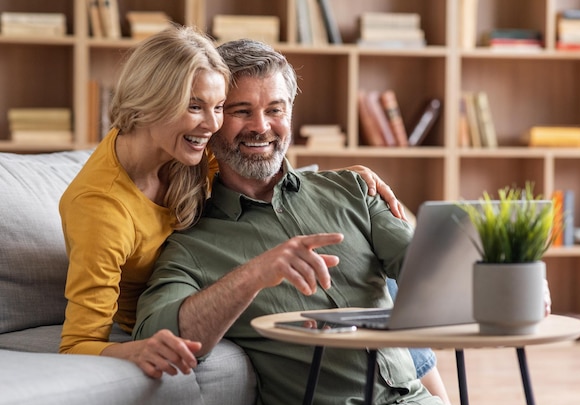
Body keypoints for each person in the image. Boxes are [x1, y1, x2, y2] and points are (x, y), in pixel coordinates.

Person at [133, 38, 459, 405]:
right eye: (242, 111)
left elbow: (428, 271)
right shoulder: (193, 245)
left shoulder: (355, 190)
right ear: (216, 120)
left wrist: (501, 277)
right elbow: (157, 334)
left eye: (275, 109)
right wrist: (254, 274)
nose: (261, 127)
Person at [58, 25, 405, 379]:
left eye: (220, 106)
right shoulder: (102, 208)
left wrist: (340, 183)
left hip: (221, 260)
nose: (212, 124)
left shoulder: (185, 147)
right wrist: (136, 351)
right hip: (172, 299)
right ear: (150, 104)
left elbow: (257, 158)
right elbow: (77, 344)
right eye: (195, 106)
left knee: (367, 251)